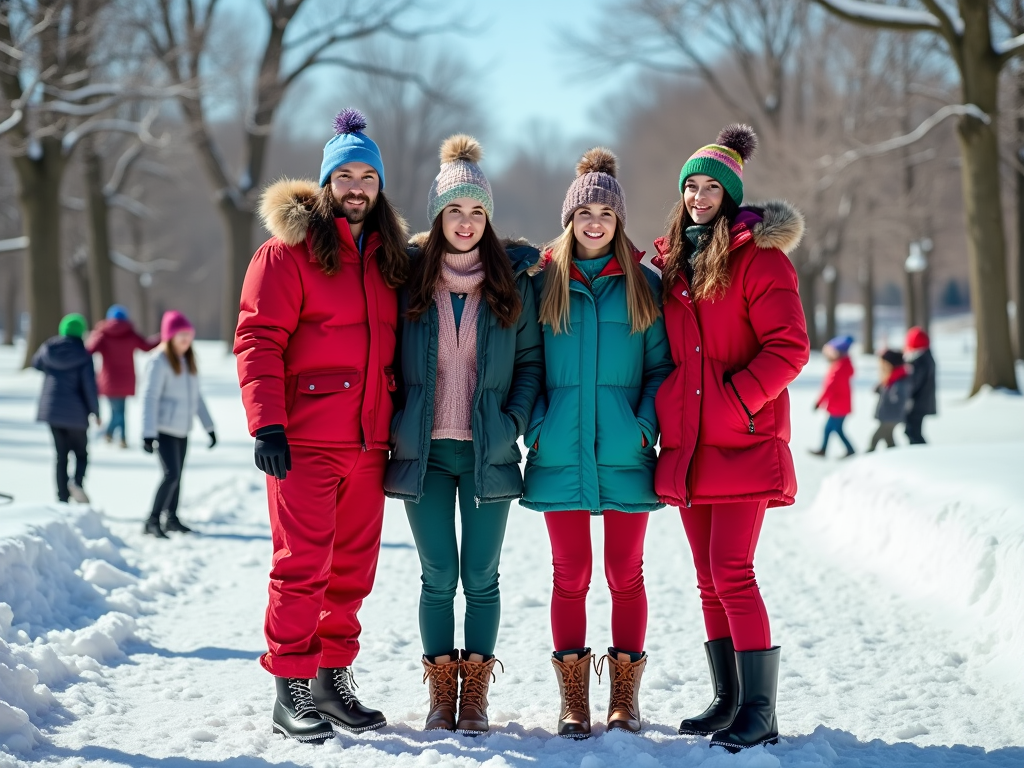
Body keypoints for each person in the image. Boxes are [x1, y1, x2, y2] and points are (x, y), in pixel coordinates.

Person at [234, 109, 409, 744]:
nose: (357, 187)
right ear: (327, 181)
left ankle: (334, 682)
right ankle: (291, 691)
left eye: (368, 176)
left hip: (369, 443)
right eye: (346, 175)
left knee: (354, 569)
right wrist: (267, 426)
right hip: (304, 441)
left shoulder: (389, 259)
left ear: (380, 187)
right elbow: (257, 339)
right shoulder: (286, 255)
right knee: (301, 566)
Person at [651, 125, 809, 752]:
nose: (698, 196)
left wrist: (738, 399)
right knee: (707, 577)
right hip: (691, 443)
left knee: (732, 570)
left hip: (741, 437)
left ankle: (761, 711)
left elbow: (790, 347)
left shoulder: (761, 259)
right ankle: (730, 698)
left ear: (731, 194)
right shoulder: (674, 264)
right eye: (690, 185)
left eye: (711, 186)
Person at [385, 136, 543, 734]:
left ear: (489, 218)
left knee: (481, 576)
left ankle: (472, 695)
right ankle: (438, 693)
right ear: (438, 216)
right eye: (456, 209)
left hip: (488, 451)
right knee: (436, 575)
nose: (467, 222)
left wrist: (513, 422)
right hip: (423, 452)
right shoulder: (409, 283)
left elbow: (530, 364)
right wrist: (397, 419)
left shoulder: (512, 284)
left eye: (477, 211)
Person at [521, 148, 672, 739]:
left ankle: (625, 698)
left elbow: (661, 368)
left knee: (624, 571)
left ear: (619, 220)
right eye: (584, 209)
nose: (595, 221)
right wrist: (538, 423)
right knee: (570, 573)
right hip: (559, 449)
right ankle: (575, 698)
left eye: (606, 212)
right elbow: (526, 363)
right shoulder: (543, 282)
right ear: (569, 216)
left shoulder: (643, 285)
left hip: (624, 451)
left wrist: (644, 425)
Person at [139, 311, 216, 537]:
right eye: (180, 334)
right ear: (169, 336)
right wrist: (148, 433)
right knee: (170, 474)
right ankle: (151, 520)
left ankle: (171, 518)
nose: (185, 339)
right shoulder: (159, 361)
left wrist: (209, 427)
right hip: (163, 429)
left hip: (183, 429)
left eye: (188, 334)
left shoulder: (188, 360)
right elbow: (149, 397)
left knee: (178, 475)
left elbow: (197, 397)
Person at [32, 313, 100, 504]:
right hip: (76, 413)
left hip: (52, 410)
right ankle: (76, 483)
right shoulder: (83, 355)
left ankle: (62, 497)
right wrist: (96, 411)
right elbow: (89, 387)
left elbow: (35, 363)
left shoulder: (49, 348)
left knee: (61, 456)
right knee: (81, 453)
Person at [87, 304, 158, 448]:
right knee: (120, 411)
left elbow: (89, 350)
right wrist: (162, 337)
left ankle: (112, 434)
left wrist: (95, 334)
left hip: (109, 380)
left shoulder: (103, 334)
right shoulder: (130, 334)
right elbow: (146, 346)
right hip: (126, 380)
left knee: (116, 411)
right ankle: (120, 437)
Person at [810, 335, 855, 458]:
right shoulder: (844, 365)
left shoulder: (838, 368)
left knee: (833, 429)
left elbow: (829, 387)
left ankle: (848, 450)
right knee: (832, 429)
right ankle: (825, 449)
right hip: (841, 404)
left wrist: (818, 402)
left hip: (838, 405)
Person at [867, 349, 909, 451]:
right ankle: (894, 458)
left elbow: (900, 398)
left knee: (875, 438)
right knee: (888, 439)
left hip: (891, 417)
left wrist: (893, 396)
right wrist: (881, 389)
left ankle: (867, 458)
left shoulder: (899, 380)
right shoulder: (892, 378)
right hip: (888, 415)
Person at [903, 326, 936, 444]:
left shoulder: (920, 361)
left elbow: (914, 382)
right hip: (921, 402)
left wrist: (906, 394)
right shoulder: (926, 357)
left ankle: (921, 454)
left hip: (917, 403)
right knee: (912, 431)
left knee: (912, 431)